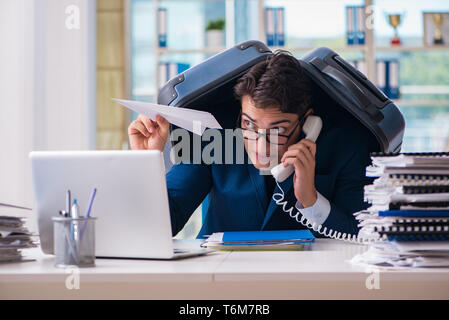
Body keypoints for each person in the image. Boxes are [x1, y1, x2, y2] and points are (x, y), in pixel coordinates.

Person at [128, 51, 378, 238]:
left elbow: (361, 237)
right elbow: (161, 225)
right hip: (217, 279)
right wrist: (145, 165)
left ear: (307, 122)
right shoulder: (212, 133)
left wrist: (311, 201)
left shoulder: (349, 144)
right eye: (249, 126)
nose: (261, 146)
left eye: (277, 130)